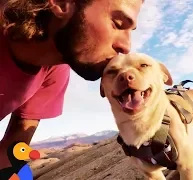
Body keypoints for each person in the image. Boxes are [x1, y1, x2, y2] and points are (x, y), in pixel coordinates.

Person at [0, 0, 144, 169]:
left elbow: (11, 152)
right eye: (117, 24)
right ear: (61, 3)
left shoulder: (54, 72)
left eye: (130, 31)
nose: (126, 46)